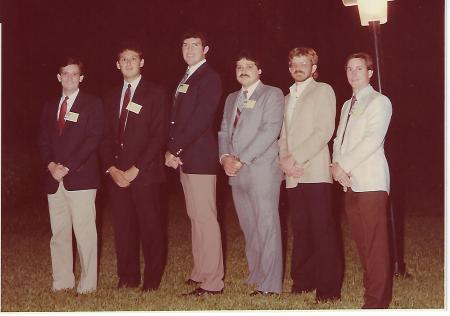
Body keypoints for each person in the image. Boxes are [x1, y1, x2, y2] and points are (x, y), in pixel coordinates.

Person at [99, 42, 168, 292]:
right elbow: (103, 137)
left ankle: (151, 280)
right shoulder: (109, 96)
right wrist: (112, 169)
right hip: (117, 175)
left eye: (133, 58)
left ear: (142, 62)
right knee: (124, 229)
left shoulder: (156, 93)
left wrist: (135, 169)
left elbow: (158, 136)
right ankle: (127, 277)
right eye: (123, 59)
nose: (128, 63)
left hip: (145, 174)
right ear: (117, 64)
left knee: (151, 228)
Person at [278, 47, 343, 302]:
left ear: (314, 67)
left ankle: (329, 290)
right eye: (293, 63)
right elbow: (283, 135)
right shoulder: (286, 97)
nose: (298, 67)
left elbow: (324, 130)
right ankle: (303, 282)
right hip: (292, 174)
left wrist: (296, 158)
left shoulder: (323, 90)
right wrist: (284, 161)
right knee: (301, 229)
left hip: (314, 171)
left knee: (322, 229)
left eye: (303, 62)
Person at [218, 51, 284, 295]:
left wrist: (241, 159)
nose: (243, 70)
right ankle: (256, 274)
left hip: (261, 171)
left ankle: (271, 284)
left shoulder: (272, 94)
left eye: (249, 66)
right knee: (249, 227)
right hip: (236, 172)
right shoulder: (231, 98)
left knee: (267, 226)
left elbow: (269, 132)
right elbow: (224, 131)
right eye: (239, 66)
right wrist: (225, 158)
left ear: (260, 70)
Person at [331, 52, 393, 308]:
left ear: (370, 73)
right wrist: (336, 167)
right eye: (349, 69)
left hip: (370, 182)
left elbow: (371, 140)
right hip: (349, 182)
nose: (353, 73)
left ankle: (376, 303)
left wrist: (343, 166)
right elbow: (339, 140)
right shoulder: (348, 104)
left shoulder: (379, 102)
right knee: (362, 241)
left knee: (375, 244)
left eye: (359, 68)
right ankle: (372, 293)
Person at [165, 30, 224, 296]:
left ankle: (213, 282)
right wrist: (172, 150)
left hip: (199, 157)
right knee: (195, 216)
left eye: (195, 45)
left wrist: (175, 148)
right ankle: (200, 271)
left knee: (206, 218)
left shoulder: (209, 77)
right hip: (184, 157)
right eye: (185, 44)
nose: (189, 49)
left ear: (206, 49)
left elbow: (201, 120)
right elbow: (177, 119)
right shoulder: (186, 77)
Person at [38, 57, 104, 294]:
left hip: (81, 178)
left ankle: (87, 285)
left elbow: (92, 140)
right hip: (54, 179)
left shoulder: (93, 104)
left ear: (81, 78)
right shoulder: (49, 106)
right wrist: (51, 166)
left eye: (74, 74)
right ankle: (63, 280)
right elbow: (43, 141)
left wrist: (66, 166)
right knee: (59, 233)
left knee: (84, 232)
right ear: (58, 77)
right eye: (65, 73)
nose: (69, 77)